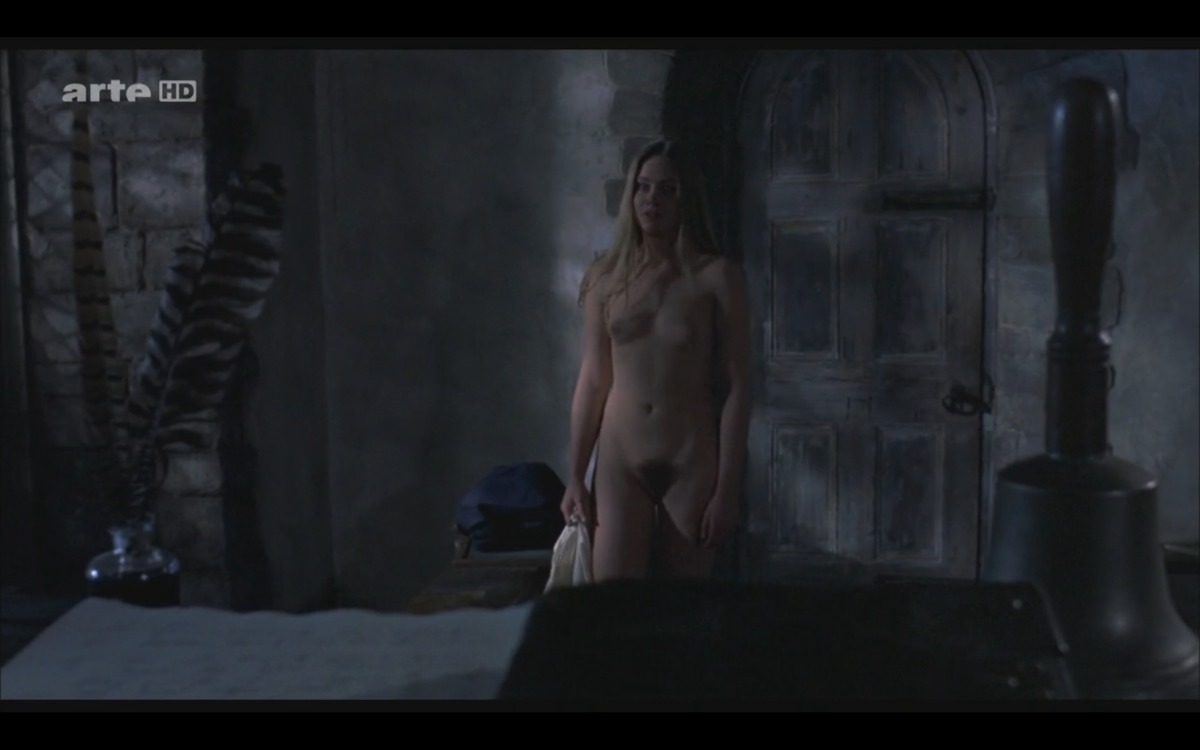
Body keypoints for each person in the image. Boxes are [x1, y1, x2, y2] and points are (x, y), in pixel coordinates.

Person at [560, 139, 751, 581]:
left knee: (680, 610)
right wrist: (575, 475)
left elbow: (738, 386)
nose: (652, 199)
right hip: (621, 460)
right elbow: (593, 378)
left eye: (667, 190)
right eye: (643, 187)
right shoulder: (606, 278)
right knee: (615, 604)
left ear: (686, 199)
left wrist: (727, 490)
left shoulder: (716, 278)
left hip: (689, 459)